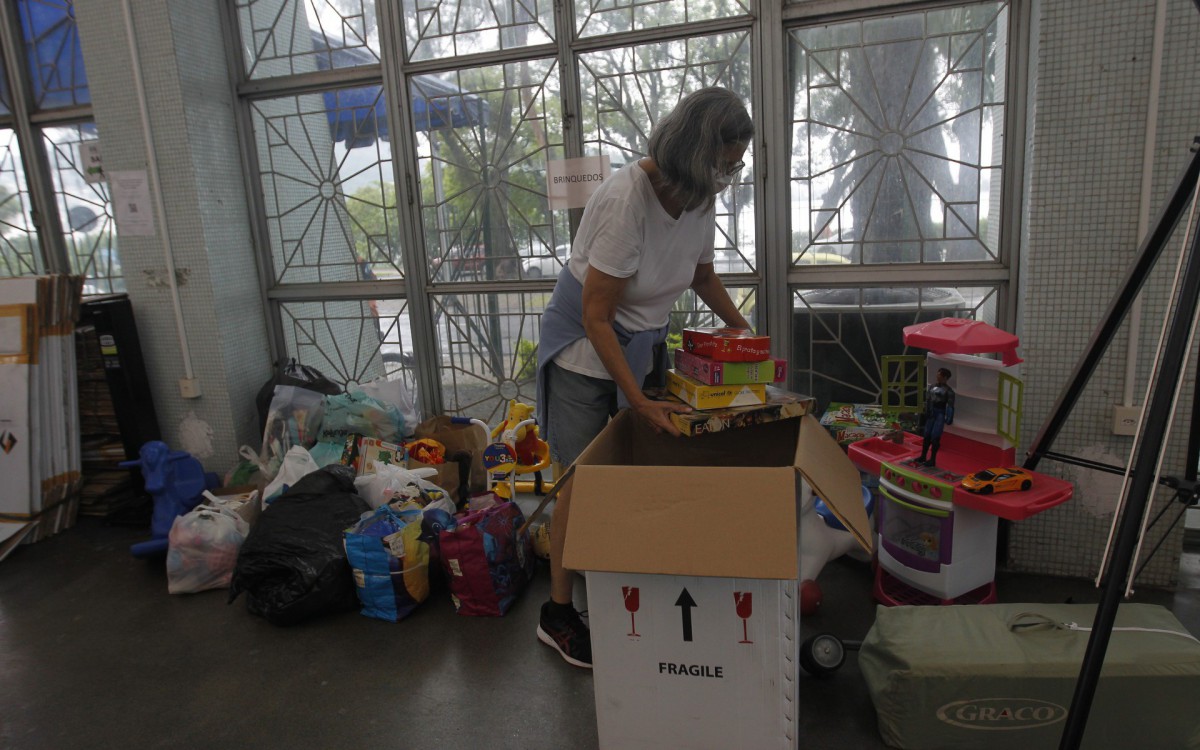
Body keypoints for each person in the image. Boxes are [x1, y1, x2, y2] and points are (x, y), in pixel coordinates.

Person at [533, 87, 755, 668]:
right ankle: (558, 612)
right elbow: (596, 317)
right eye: (724, 163)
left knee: (638, 471)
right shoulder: (624, 200)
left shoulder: (698, 196)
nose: (728, 176)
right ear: (695, 152)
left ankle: (624, 581)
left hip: (641, 345)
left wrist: (744, 332)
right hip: (585, 355)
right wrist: (637, 401)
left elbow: (701, 275)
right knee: (580, 485)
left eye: (735, 166)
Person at [917, 367, 955, 466]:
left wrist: (949, 417)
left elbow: (950, 405)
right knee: (926, 435)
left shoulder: (949, 391)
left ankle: (932, 459)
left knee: (935, 437)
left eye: (940, 375)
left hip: (940, 414)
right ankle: (923, 456)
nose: (937, 376)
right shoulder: (932, 387)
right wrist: (927, 410)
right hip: (931, 413)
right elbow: (928, 399)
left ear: (945, 377)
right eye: (938, 374)